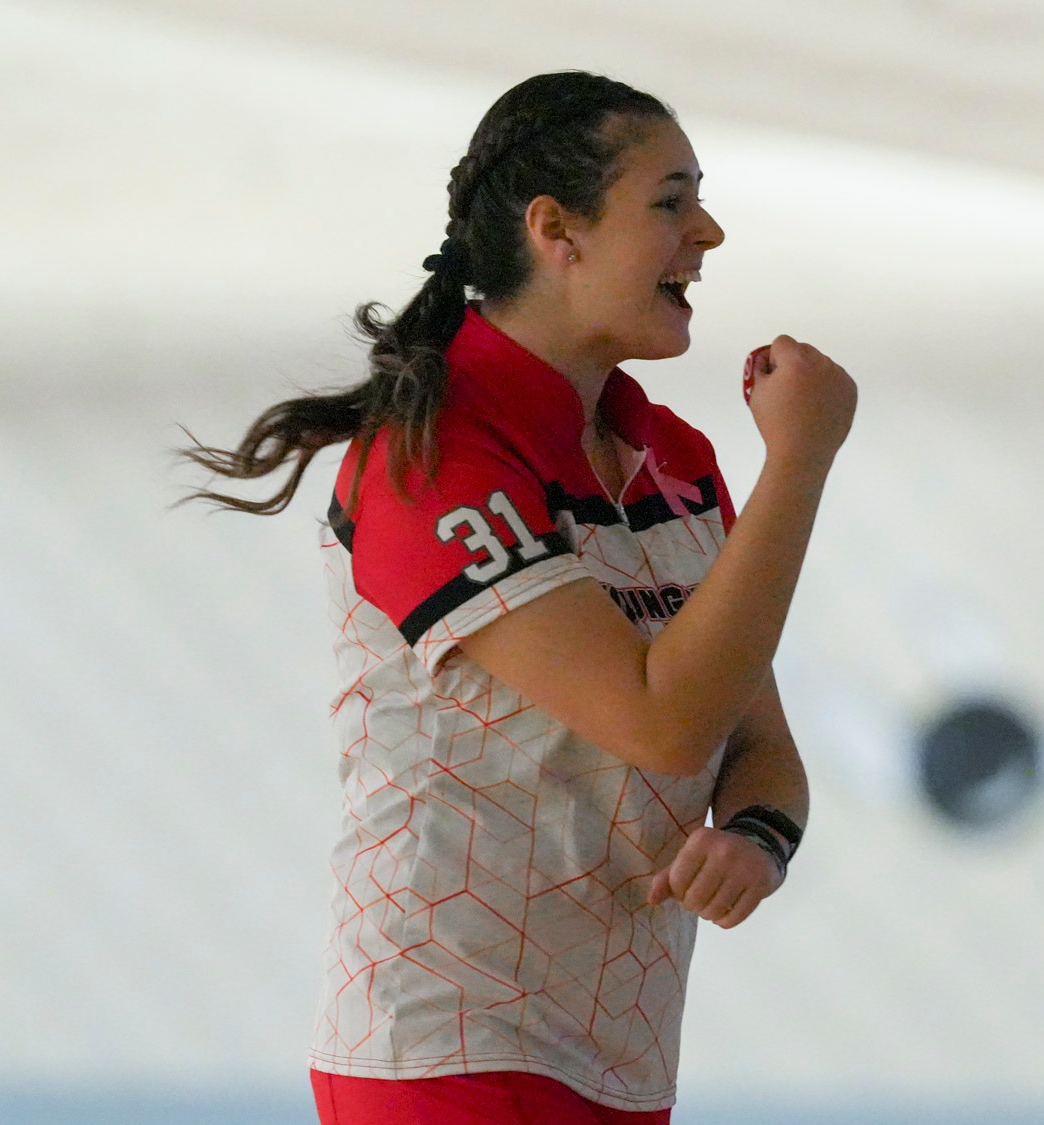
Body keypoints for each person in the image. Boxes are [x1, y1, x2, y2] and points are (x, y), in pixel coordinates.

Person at [183, 70, 856, 1125]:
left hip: (615, 1056)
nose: (708, 232)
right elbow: (665, 723)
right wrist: (800, 464)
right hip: (445, 1046)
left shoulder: (672, 455)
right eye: (670, 202)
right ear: (558, 231)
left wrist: (756, 841)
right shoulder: (433, 455)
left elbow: (751, 738)